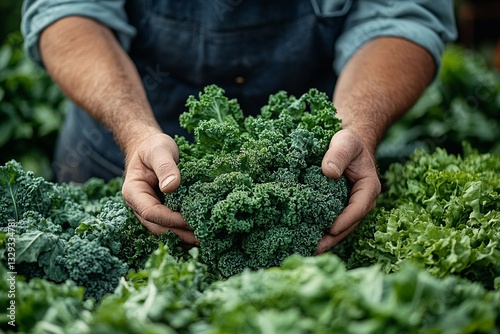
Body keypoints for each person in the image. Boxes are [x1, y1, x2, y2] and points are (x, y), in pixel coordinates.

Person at [21, 0, 457, 253]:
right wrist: (135, 132)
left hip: (313, 170)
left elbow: (403, 15)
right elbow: (67, 10)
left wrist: (357, 127)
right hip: (122, 151)